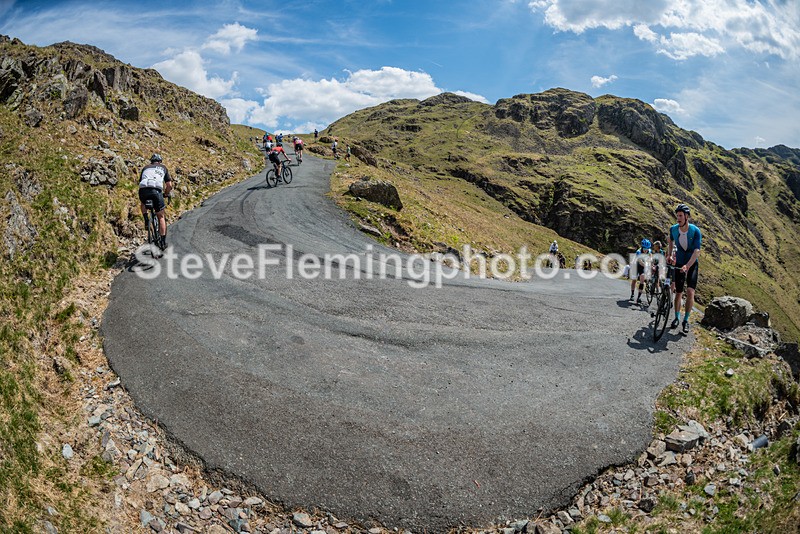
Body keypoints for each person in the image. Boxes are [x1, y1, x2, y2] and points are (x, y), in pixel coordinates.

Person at [667, 204, 702, 333]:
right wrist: (670, 254)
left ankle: (686, 320)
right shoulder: (673, 229)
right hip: (679, 260)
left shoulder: (695, 230)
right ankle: (676, 317)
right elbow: (670, 241)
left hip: (691, 263)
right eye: (677, 216)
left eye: (680, 216)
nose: (678, 218)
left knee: (690, 292)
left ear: (687, 217)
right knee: (679, 292)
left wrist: (687, 266)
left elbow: (697, 251)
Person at [138, 153, 172, 250]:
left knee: (143, 203)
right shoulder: (163, 168)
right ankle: (162, 242)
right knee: (161, 216)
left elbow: (141, 181)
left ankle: (146, 219)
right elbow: (169, 185)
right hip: (156, 191)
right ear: (160, 161)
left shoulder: (145, 168)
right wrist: (166, 194)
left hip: (143, 190)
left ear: (151, 161)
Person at [630, 238, 651, 304]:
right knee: (634, 280)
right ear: (642, 247)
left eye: (647, 249)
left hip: (642, 266)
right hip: (636, 265)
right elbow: (640, 261)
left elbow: (650, 258)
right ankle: (632, 294)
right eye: (644, 248)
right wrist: (646, 265)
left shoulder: (649, 251)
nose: (646, 250)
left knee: (642, 278)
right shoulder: (638, 251)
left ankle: (639, 297)